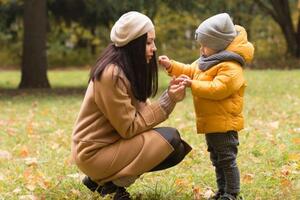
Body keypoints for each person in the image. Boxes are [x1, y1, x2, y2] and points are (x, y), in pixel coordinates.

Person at [71, 11, 192, 200]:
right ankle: (112, 183)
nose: (154, 48)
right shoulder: (111, 74)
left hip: (114, 143)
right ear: (133, 43)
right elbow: (129, 127)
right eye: (148, 42)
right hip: (94, 153)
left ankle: (103, 182)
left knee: (175, 149)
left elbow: (141, 114)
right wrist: (168, 101)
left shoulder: (129, 68)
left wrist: (169, 96)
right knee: (170, 139)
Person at [159, 13, 254, 200]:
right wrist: (171, 66)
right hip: (211, 122)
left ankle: (232, 193)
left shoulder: (230, 66)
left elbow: (218, 89)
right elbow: (190, 70)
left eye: (205, 45)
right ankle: (222, 190)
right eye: (200, 45)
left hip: (224, 123)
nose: (201, 49)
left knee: (227, 160)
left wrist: (192, 85)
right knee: (217, 159)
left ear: (218, 45)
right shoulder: (207, 60)